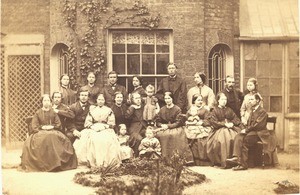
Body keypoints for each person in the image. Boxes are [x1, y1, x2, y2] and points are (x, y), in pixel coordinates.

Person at [21, 94, 77, 172]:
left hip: (53, 131)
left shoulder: (53, 112)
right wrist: (42, 127)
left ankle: (55, 164)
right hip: (40, 132)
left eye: (48, 100)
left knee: (53, 137)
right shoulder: (38, 113)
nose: (46, 102)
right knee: (43, 138)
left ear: (50, 102)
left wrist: (52, 127)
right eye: (44, 100)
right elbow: (34, 126)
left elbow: (58, 124)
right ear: (42, 102)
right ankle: (43, 164)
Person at [226, 94, 276, 171]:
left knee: (245, 140)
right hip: (252, 132)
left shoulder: (262, 112)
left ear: (257, 100)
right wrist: (244, 129)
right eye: (249, 100)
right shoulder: (252, 110)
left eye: (252, 99)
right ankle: (236, 157)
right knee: (238, 136)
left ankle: (243, 164)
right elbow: (250, 124)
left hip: (260, 133)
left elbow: (257, 125)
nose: (250, 101)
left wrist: (246, 130)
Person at [73, 93, 122, 168]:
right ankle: (90, 161)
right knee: (86, 139)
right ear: (96, 100)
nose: (100, 101)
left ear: (104, 100)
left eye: (102, 99)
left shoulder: (108, 110)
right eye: (99, 99)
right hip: (93, 127)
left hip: (106, 128)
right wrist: (92, 127)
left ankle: (104, 162)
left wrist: (104, 126)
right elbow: (88, 122)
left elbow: (111, 123)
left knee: (105, 140)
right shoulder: (92, 109)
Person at [206, 92, 242, 168]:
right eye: (222, 99)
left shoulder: (229, 109)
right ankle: (223, 161)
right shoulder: (214, 110)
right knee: (223, 140)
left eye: (225, 99)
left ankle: (234, 160)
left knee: (236, 137)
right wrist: (224, 124)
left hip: (231, 128)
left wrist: (232, 123)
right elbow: (213, 122)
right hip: (219, 129)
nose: (224, 101)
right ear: (218, 100)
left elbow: (236, 119)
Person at [155, 92, 193, 162]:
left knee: (174, 135)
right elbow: (158, 121)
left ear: (172, 99)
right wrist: (161, 125)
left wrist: (168, 126)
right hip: (164, 127)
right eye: (165, 99)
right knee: (160, 134)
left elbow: (178, 122)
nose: (167, 100)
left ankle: (176, 158)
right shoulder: (162, 109)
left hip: (175, 127)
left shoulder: (177, 109)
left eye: (169, 98)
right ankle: (163, 158)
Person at [184, 94, 212, 165]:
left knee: (202, 139)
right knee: (186, 137)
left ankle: (202, 161)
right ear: (194, 101)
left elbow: (208, 120)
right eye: (198, 100)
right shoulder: (190, 110)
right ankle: (190, 159)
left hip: (202, 127)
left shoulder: (205, 110)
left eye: (201, 100)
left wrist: (201, 123)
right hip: (191, 127)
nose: (200, 102)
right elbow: (186, 118)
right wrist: (188, 122)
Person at [125, 92, 147, 157]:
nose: (138, 100)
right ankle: (137, 157)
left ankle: (147, 157)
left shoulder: (143, 107)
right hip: (134, 128)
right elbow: (127, 117)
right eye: (136, 98)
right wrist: (132, 108)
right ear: (132, 100)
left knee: (149, 136)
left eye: (139, 98)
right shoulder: (131, 108)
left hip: (144, 127)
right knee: (139, 139)